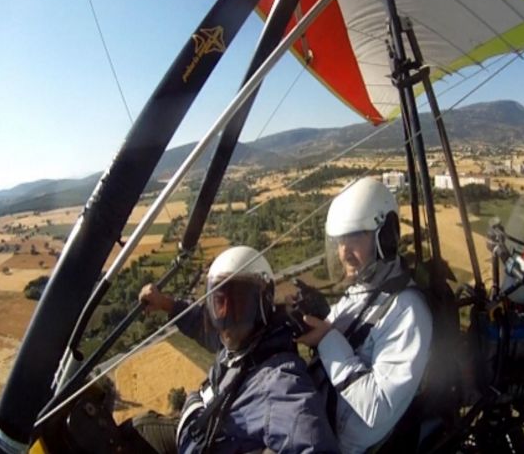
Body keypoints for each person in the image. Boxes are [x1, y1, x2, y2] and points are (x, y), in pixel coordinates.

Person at [138, 245, 339, 454]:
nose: (225, 315)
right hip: (199, 432)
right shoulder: (241, 342)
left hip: (203, 439)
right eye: (219, 302)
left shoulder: (280, 381)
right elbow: (199, 324)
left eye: (238, 304)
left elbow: (315, 446)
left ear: (262, 304)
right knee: (136, 427)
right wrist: (164, 303)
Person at [295, 177, 434, 454]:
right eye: (340, 240)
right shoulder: (363, 289)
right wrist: (316, 315)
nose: (344, 251)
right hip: (317, 422)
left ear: (386, 237)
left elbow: (377, 409)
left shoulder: (408, 311)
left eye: (355, 236)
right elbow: (346, 337)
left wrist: (327, 339)